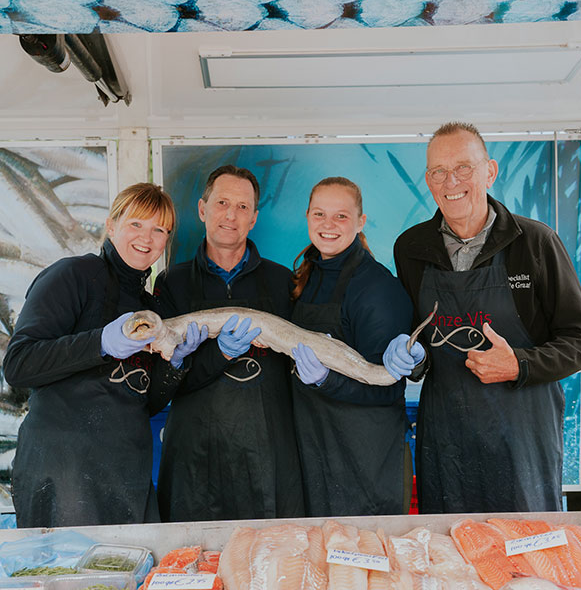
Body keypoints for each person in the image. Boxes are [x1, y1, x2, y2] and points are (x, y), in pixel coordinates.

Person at [384, 121, 581, 514]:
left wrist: (520, 363)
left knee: (525, 555)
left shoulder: (535, 242)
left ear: (490, 171)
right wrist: (413, 359)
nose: (451, 180)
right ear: (429, 181)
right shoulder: (410, 248)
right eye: (438, 171)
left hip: (523, 436)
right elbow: (417, 334)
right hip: (446, 435)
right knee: (453, 550)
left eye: (464, 167)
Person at [3, 183, 205, 528]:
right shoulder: (72, 276)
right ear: (111, 226)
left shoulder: (150, 307)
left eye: (160, 230)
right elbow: (20, 364)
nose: (147, 237)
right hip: (63, 472)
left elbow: (144, 401)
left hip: (127, 474)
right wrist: (101, 343)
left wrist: (174, 364)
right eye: (136, 224)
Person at [154, 164, 304, 522]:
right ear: (203, 209)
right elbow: (161, 385)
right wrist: (209, 356)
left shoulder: (283, 281)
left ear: (254, 218)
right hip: (195, 457)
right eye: (222, 203)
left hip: (268, 451)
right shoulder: (171, 283)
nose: (231, 215)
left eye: (242, 207)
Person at [290, 176, 418, 517]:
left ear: (361, 221)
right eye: (319, 214)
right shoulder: (309, 274)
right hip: (319, 448)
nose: (328, 225)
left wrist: (325, 379)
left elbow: (387, 388)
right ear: (307, 217)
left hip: (365, 462)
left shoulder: (377, 289)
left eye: (341, 216)